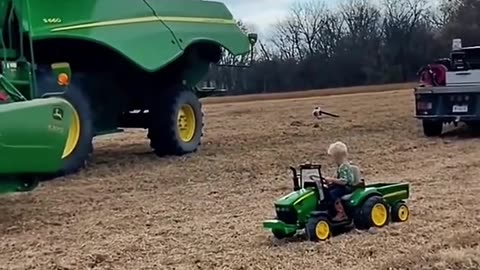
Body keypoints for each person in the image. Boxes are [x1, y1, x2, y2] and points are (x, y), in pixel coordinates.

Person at [324, 141, 355, 221]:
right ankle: (330, 211)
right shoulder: (340, 166)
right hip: (342, 186)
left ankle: (341, 213)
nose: (333, 159)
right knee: (326, 191)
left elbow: (344, 181)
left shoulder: (344, 166)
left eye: (333, 157)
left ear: (338, 157)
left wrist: (332, 180)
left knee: (333, 194)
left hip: (347, 187)